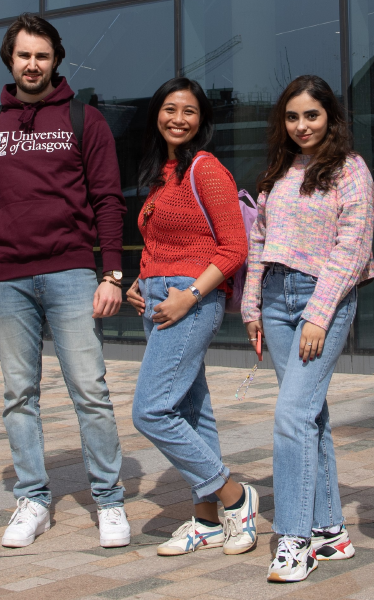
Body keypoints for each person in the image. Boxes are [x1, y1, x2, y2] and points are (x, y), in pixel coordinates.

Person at [0, 13, 130, 549]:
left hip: (73, 272)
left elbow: (107, 200)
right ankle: (32, 499)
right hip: (8, 279)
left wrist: (113, 273)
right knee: (18, 394)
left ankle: (110, 500)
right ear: (11, 60)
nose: (33, 64)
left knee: (90, 390)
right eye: (24, 55)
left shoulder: (84, 120)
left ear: (56, 61)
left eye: (42, 56)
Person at [241, 75, 374, 583]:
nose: (301, 125)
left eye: (311, 116)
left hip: (325, 298)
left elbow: (353, 245)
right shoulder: (279, 170)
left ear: (330, 117)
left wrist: (319, 313)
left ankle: (294, 539)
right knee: (308, 416)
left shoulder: (350, 169)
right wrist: (252, 307)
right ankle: (331, 530)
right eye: (292, 117)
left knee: (291, 415)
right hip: (275, 298)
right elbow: (260, 241)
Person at [122, 77, 255, 558]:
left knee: (151, 410)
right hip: (159, 298)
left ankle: (233, 496)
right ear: (157, 113)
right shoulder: (164, 171)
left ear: (202, 120)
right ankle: (206, 522)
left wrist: (190, 295)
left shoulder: (206, 169)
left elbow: (234, 247)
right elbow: (162, 243)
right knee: (192, 411)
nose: (178, 118)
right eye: (170, 109)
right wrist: (140, 281)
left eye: (189, 111)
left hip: (189, 301)